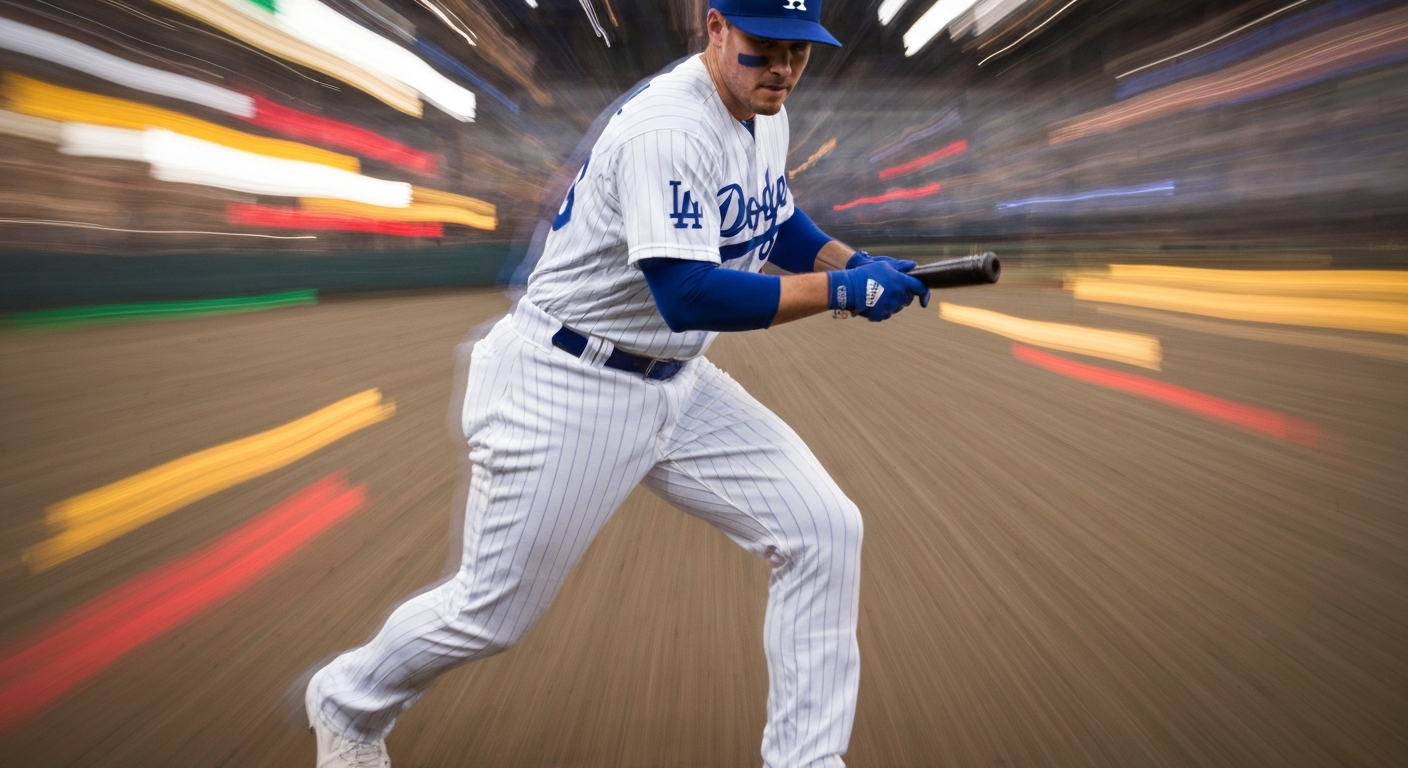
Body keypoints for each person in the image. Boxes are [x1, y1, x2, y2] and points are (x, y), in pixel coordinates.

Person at [305, 1, 929, 765]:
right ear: (716, 28)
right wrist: (841, 292)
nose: (783, 68)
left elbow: (775, 216)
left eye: (799, 51)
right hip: (565, 384)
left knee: (824, 529)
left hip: (677, 381)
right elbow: (689, 294)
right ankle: (346, 701)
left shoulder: (763, 108)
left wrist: (849, 261)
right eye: (766, 47)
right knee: (489, 614)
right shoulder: (669, 130)